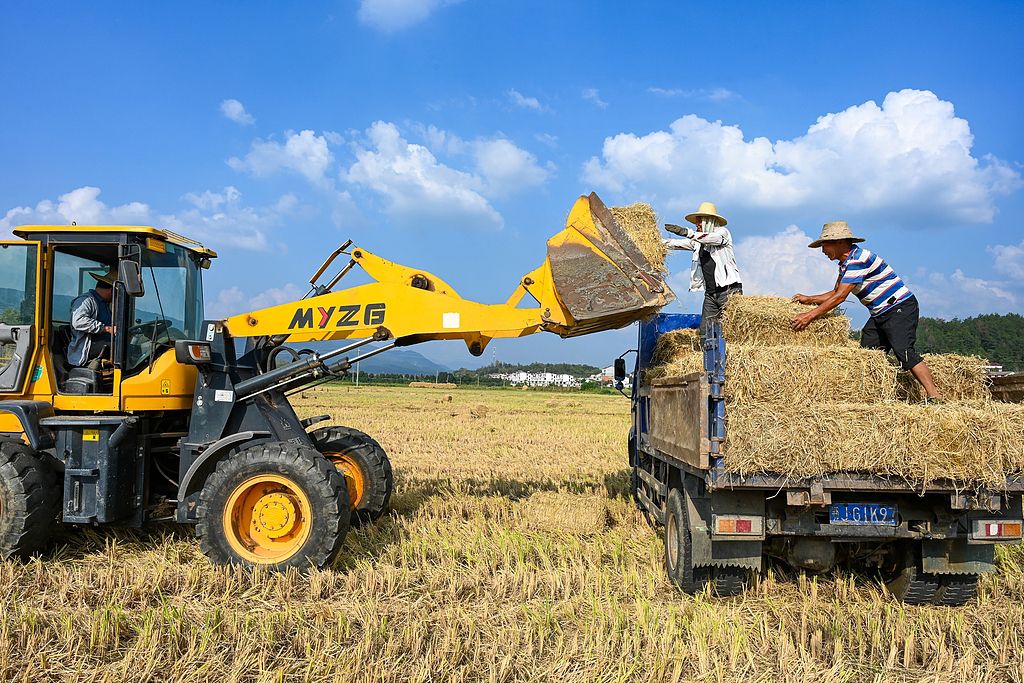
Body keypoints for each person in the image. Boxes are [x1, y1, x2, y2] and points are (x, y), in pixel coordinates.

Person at [791, 221, 942, 402]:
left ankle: (934, 396)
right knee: (868, 354)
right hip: (880, 313)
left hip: (898, 307)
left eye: (825, 245)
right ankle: (872, 398)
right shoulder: (846, 263)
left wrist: (809, 316)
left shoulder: (858, 260)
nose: (823, 250)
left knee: (903, 351)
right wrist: (809, 299)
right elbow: (835, 292)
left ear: (840, 242)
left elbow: (840, 297)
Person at [663, 201, 743, 335]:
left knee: (731, 330)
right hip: (711, 294)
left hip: (729, 291)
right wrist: (656, 241)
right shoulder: (698, 242)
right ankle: (706, 349)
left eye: (699, 221)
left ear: (708, 221)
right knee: (706, 331)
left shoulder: (722, 233)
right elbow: (677, 243)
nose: (697, 225)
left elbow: (711, 238)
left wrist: (686, 232)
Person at [68, 269, 116, 369]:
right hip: (88, 347)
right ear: (111, 291)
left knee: (130, 347)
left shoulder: (104, 305)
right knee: (122, 349)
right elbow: (78, 321)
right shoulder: (85, 300)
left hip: (103, 343)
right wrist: (106, 329)